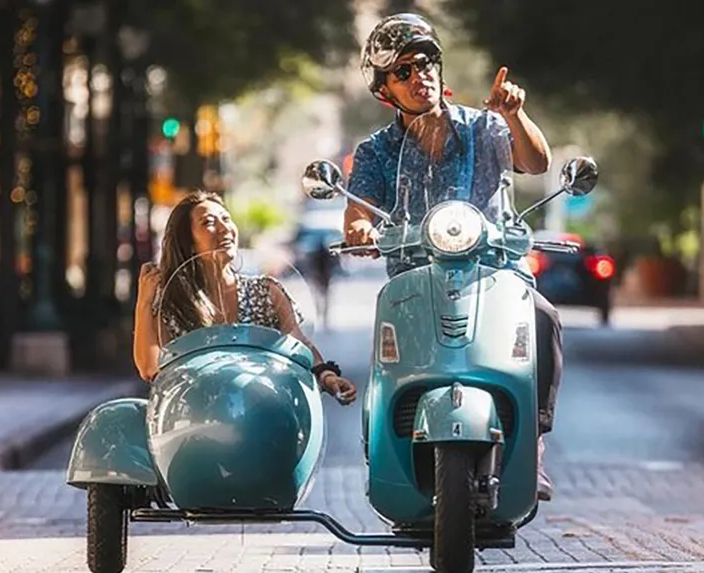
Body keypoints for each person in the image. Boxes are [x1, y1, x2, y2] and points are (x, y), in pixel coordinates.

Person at [344, 13, 561, 501]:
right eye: (403, 71)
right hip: (415, 277)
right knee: (389, 350)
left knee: (542, 316)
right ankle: (386, 442)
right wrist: (360, 229)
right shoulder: (376, 152)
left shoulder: (484, 127)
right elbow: (356, 216)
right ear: (385, 90)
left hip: (494, 270)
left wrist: (513, 115)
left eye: (426, 63)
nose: (419, 75)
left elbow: (535, 162)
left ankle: (537, 443)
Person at [133, 190, 357, 404]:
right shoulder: (173, 302)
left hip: (262, 415)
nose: (224, 229)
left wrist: (327, 376)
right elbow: (150, 367)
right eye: (209, 223)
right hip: (193, 423)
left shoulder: (266, 292)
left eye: (226, 219)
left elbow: (299, 344)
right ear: (189, 244)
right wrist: (144, 302)